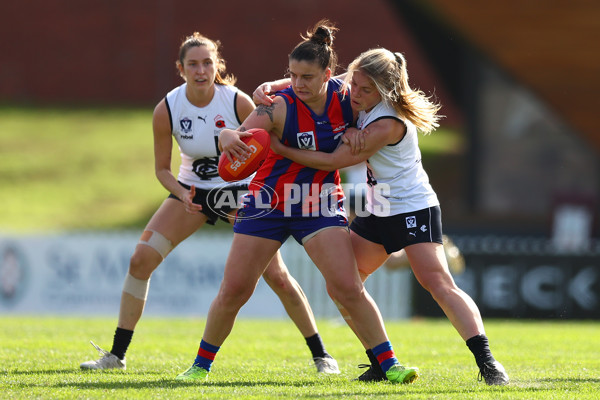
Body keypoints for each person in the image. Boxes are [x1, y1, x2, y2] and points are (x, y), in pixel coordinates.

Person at [79, 32, 340, 375]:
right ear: (180, 68)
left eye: (207, 63)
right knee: (140, 260)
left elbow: (272, 148)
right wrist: (181, 192)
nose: (201, 70)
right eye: (193, 64)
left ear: (218, 65)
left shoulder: (237, 102)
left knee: (276, 276)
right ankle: (116, 355)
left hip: (239, 194)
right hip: (192, 193)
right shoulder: (168, 108)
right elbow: (161, 169)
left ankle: (322, 355)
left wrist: (253, 193)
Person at [175, 20, 419, 384]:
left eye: (307, 77)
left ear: (329, 74)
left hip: (318, 202)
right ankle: (199, 366)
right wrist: (227, 134)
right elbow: (240, 136)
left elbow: (381, 105)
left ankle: (389, 364)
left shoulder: (348, 99)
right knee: (235, 290)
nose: (298, 84)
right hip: (268, 201)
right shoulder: (278, 107)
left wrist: (358, 130)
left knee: (348, 287)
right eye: (292, 76)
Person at [258, 47, 509, 385]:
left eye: (364, 90)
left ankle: (489, 363)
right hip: (379, 208)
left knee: (437, 283)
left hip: (413, 207)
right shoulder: (360, 89)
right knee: (343, 286)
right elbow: (323, 82)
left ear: (384, 90)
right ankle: (379, 359)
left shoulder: (388, 122)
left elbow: (333, 162)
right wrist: (271, 87)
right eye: (355, 85)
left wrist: (281, 149)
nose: (355, 94)